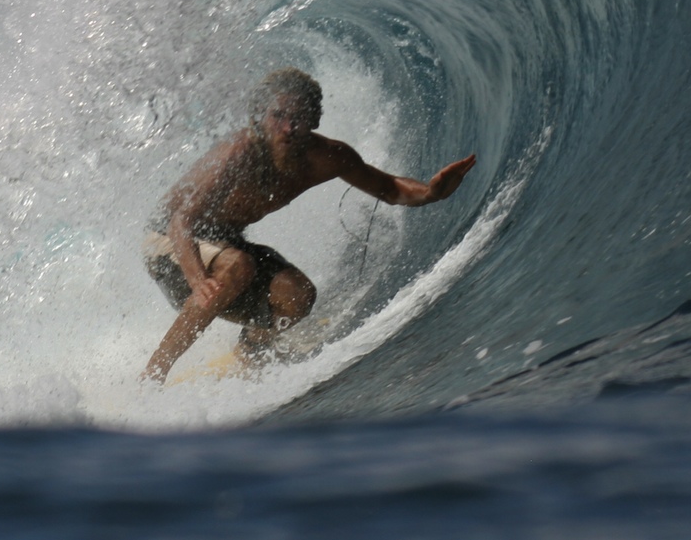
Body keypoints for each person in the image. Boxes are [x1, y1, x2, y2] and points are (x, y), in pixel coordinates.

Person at [142, 68, 477, 381]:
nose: (288, 127)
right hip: (168, 243)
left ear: (314, 120)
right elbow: (181, 220)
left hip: (225, 242)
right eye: (278, 116)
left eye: (299, 118)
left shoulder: (328, 157)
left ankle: (248, 355)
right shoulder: (239, 153)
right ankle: (153, 375)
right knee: (237, 265)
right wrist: (198, 279)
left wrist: (430, 193)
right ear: (260, 116)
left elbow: (388, 188)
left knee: (297, 296)